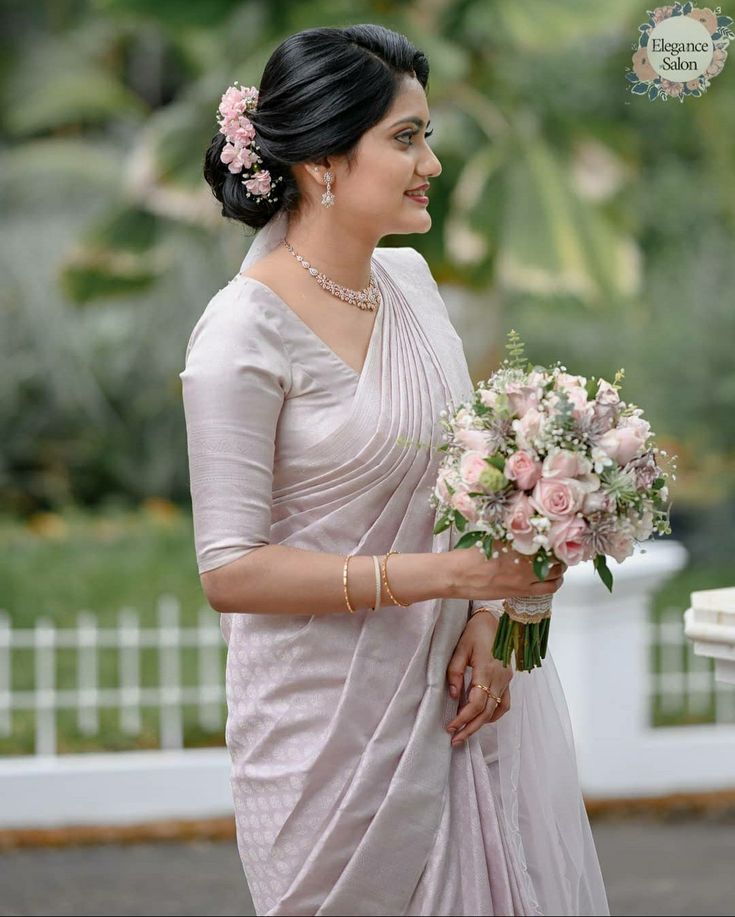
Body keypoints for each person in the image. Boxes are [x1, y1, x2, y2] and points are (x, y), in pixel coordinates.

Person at [179, 23, 610, 917]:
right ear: (323, 164)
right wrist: (447, 577)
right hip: (326, 734)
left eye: (428, 137)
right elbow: (229, 569)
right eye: (405, 139)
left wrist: (492, 612)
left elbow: (470, 475)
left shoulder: (410, 284)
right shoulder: (239, 337)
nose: (432, 164)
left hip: (461, 699)